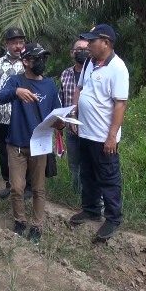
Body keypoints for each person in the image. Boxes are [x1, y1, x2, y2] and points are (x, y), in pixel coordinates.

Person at [0, 43, 64, 242]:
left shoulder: (50, 84)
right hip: (16, 144)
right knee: (17, 187)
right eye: (37, 59)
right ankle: (19, 220)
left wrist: (61, 124)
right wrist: (16, 92)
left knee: (38, 188)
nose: (42, 62)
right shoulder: (15, 80)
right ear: (26, 61)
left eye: (44, 58)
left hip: (39, 145)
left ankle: (37, 225)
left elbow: (56, 111)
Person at [69, 24, 129, 241]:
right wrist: (74, 115)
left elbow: (120, 104)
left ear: (106, 43)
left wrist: (112, 136)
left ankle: (113, 217)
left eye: (92, 42)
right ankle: (91, 209)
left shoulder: (118, 68)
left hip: (103, 136)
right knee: (87, 174)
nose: (88, 45)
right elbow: (80, 89)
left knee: (108, 177)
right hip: (85, 132)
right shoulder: (89, 63)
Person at [0, 27, 32, 199]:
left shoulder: (29, 61)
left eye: (20, 42)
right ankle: (9, 183)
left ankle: (28, 186)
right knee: (5, 151)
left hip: (23, 116)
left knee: (25, 150)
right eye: (14, 43)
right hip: (3, 116)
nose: (18, 46)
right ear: (6, 44)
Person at [59, 38, 88, 192]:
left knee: (88, 162)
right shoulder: (65, 74)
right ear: (72, 53)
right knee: (73, 163)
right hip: (71, 125)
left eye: (86, 49)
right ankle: (76, 193)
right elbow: (62, 99)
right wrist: (60, 123)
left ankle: (88, 195)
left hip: (90, 126)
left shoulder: (93, 72)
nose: (83, 52)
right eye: (79, 49)